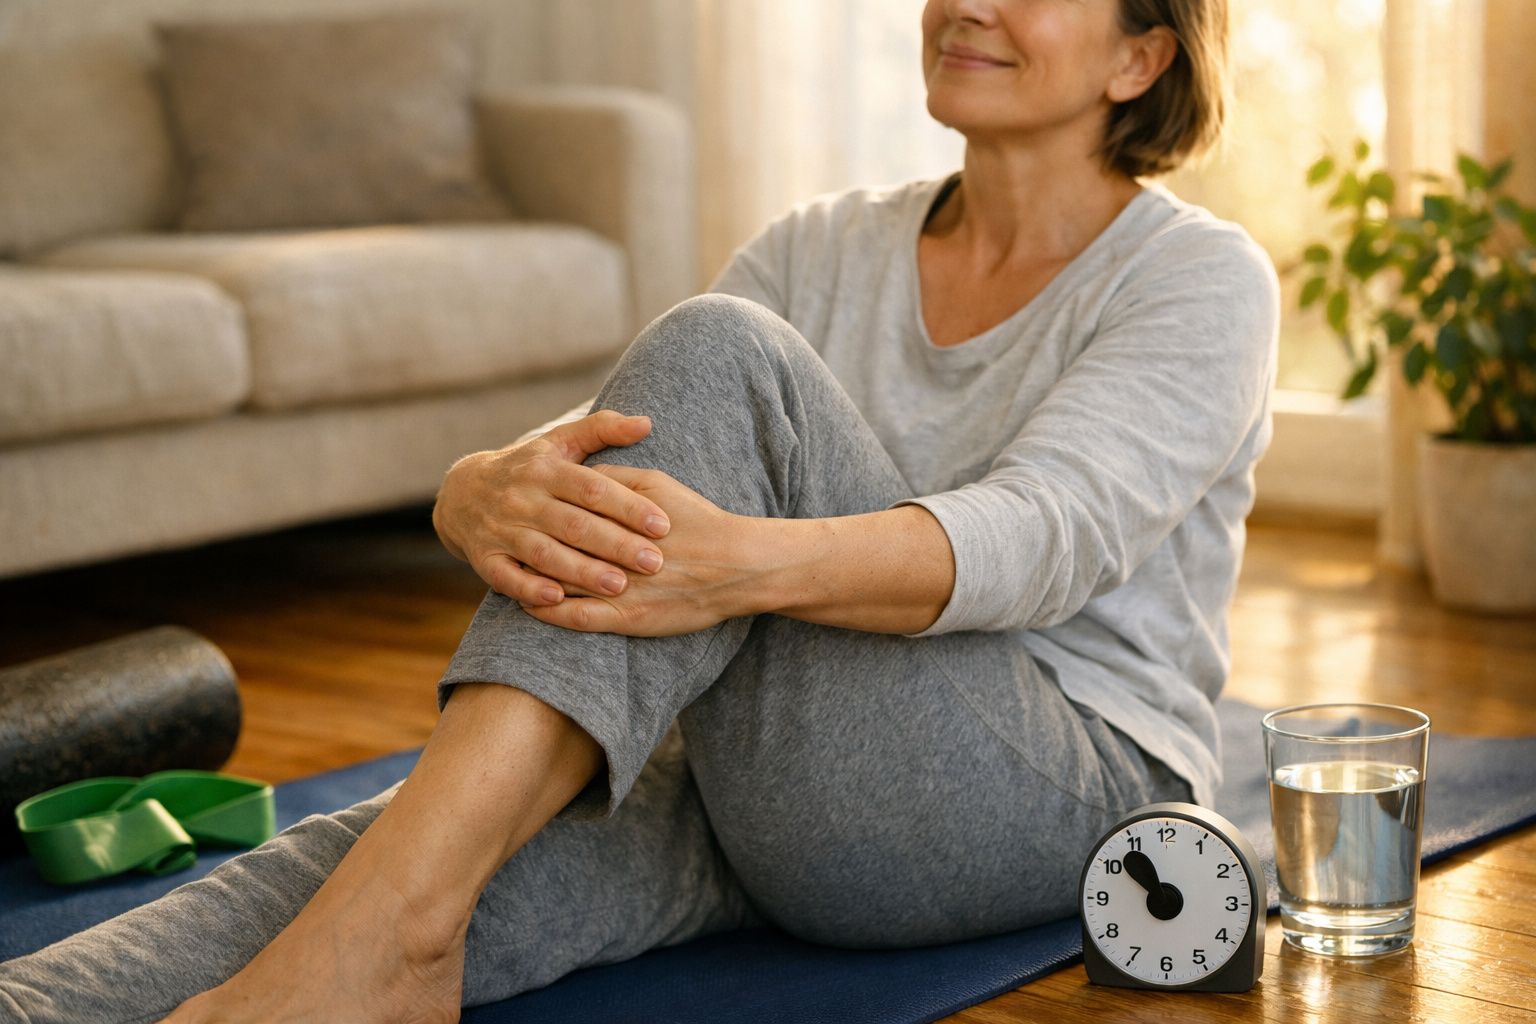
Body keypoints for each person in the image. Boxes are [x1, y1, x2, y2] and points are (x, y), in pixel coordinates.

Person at [0, 0, 1277, 1021]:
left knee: (723, 346)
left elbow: (1042, 539)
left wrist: (741, 570)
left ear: (1141, 55)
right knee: (387, 864)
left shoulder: (1201, 277)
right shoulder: (821, 244)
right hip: (780, 770)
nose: (965, 5)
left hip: (1060, 786)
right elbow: (641, 445)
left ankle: (386, 944)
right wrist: (475, 482)